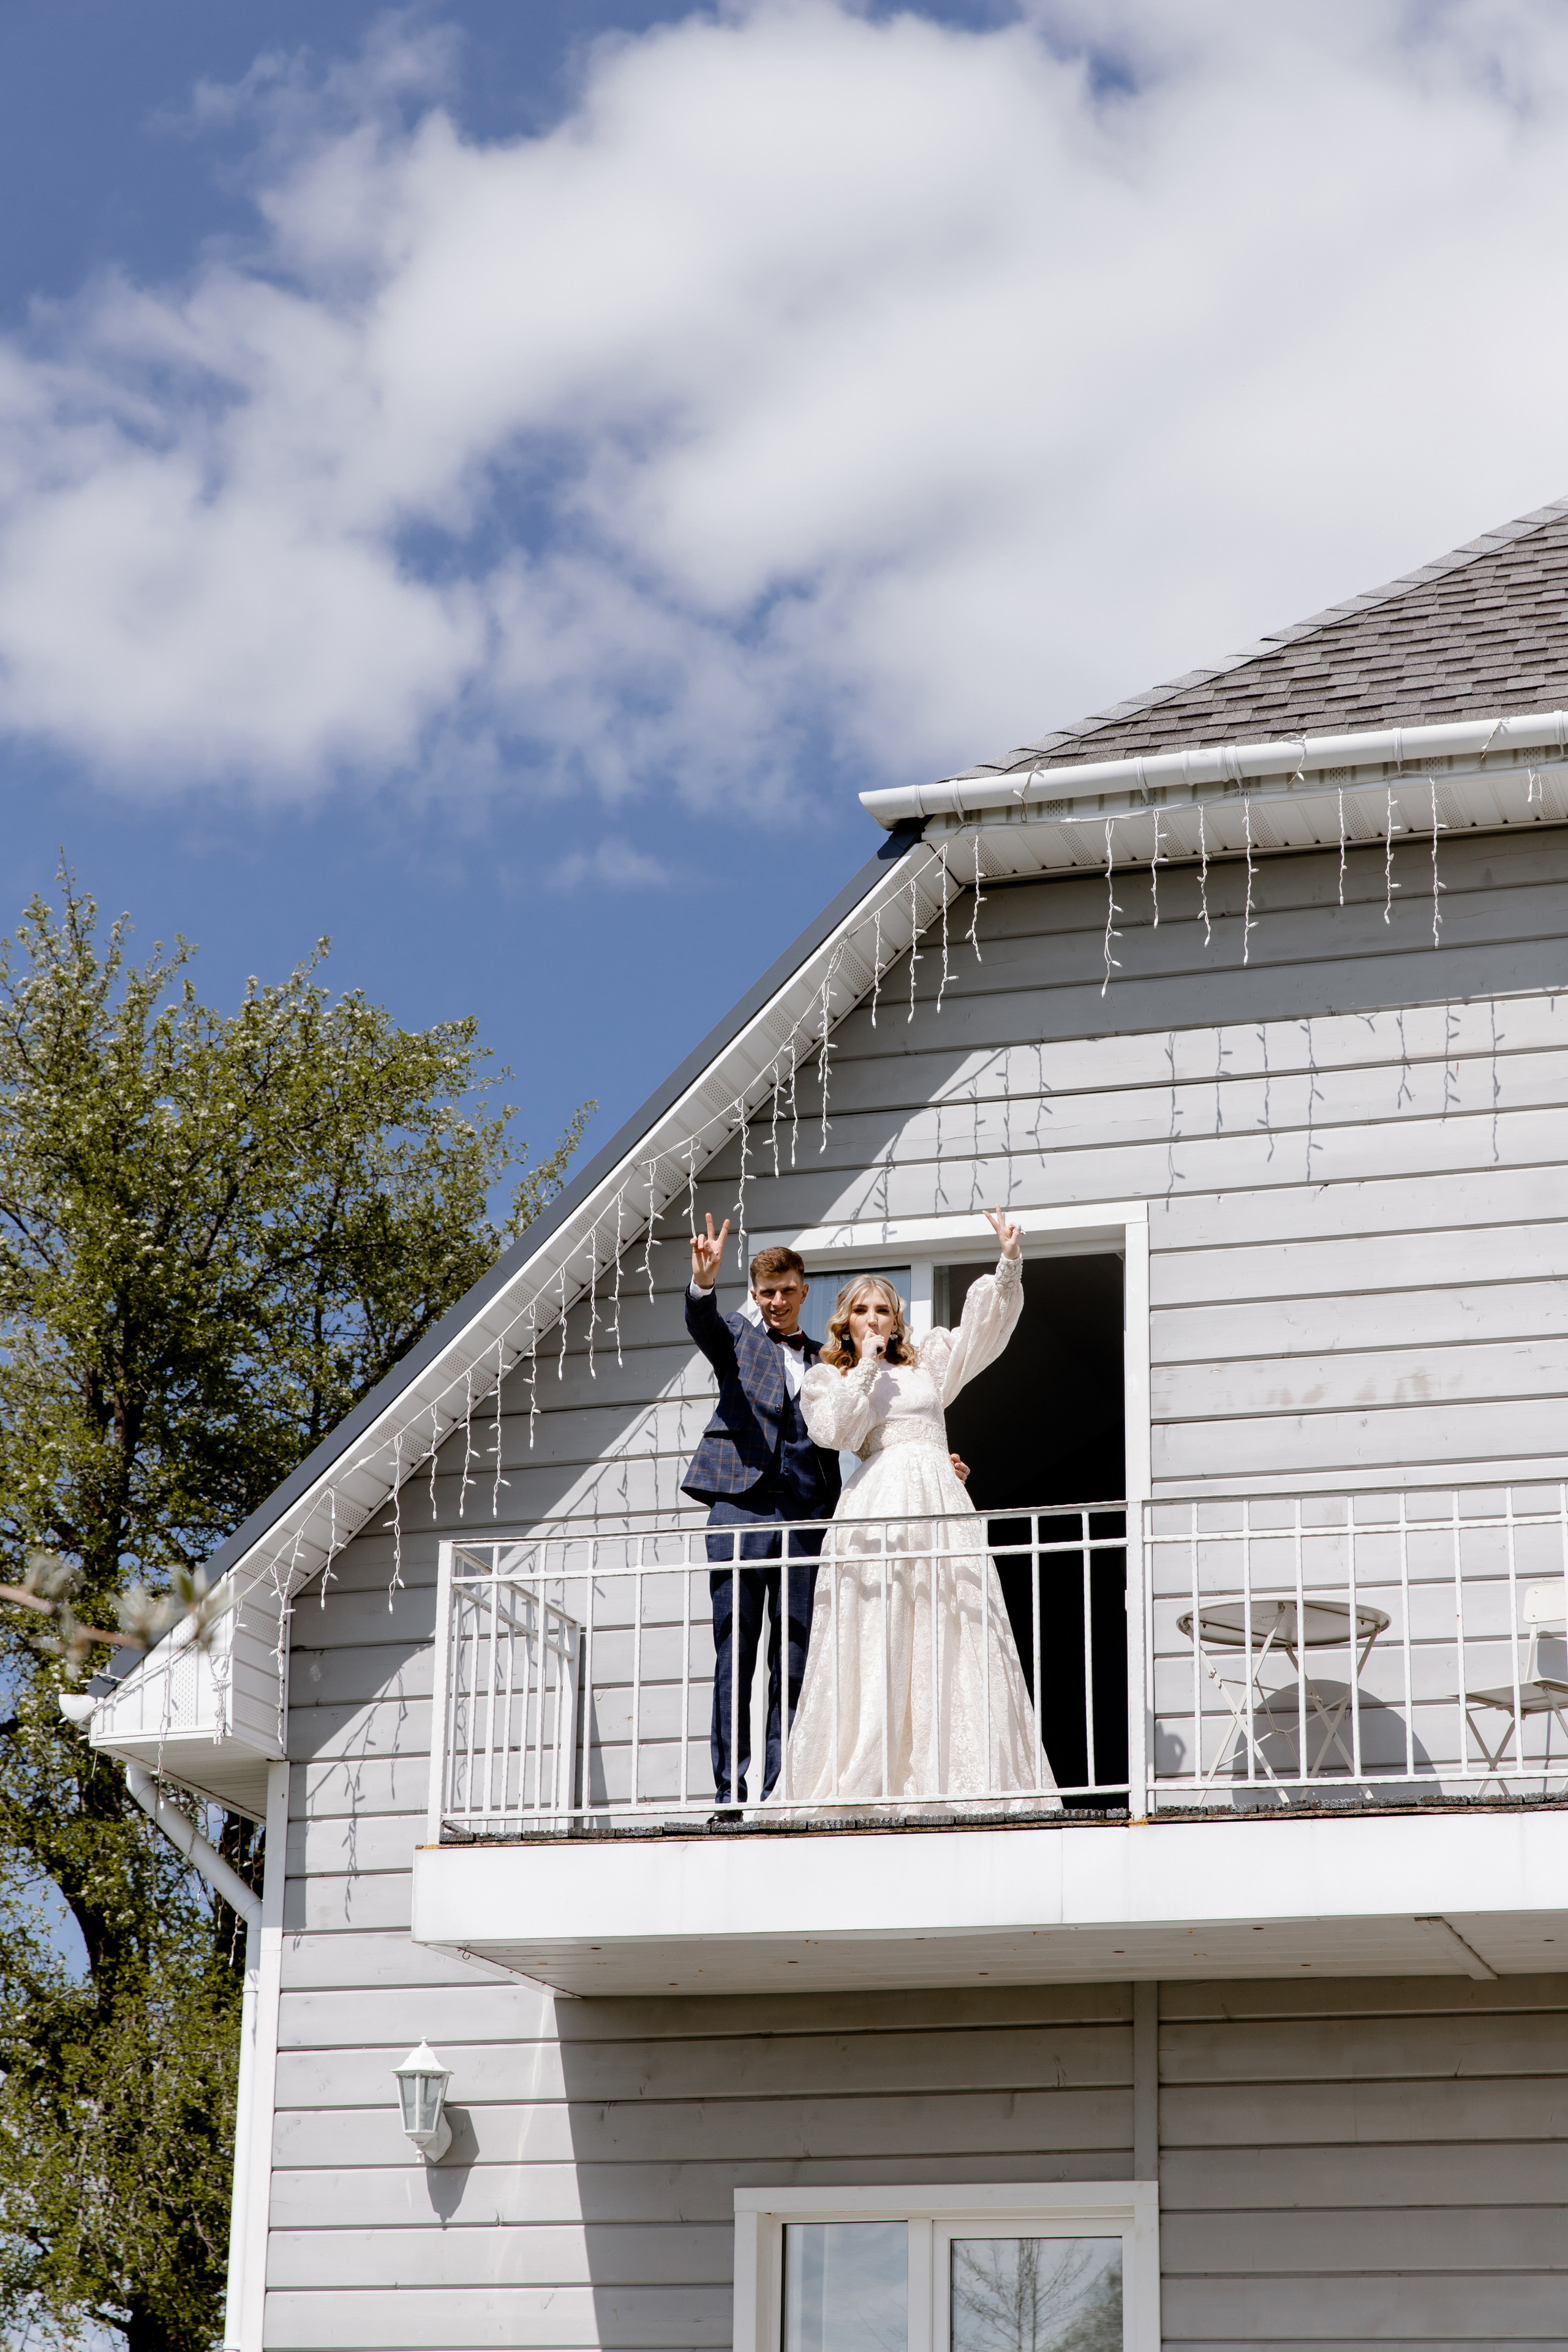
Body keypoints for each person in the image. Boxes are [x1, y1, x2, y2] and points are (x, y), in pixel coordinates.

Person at [783, 1207, 1058, 1810]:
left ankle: (956, 1776)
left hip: (939, 1499)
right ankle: (871, 1774)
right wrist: (867, 1366)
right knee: (882, 1630)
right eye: (862, 1310)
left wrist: (1008, 1264)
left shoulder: (925, 1364)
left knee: (951, 1624)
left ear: (896, 1317)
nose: (873, 1318)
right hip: (879, 1505)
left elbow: (978, 1336)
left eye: (883, 1309)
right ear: (846, 1320)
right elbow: (837, 1432)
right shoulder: (829, 1379)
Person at [682, 1216, 839, 1809]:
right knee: (736, 1653)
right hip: (739, 1510)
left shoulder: (829, 1359)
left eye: (787, 1290)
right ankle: (729, 1794)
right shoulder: (737, 1338)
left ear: (804, 1291)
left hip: (805, 1515)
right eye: (767, 1292)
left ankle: (779, 1793)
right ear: (755, 1294)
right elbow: (702, 1322)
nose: (777, 1301)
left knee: (793, 1656)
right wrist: (702, 1283)